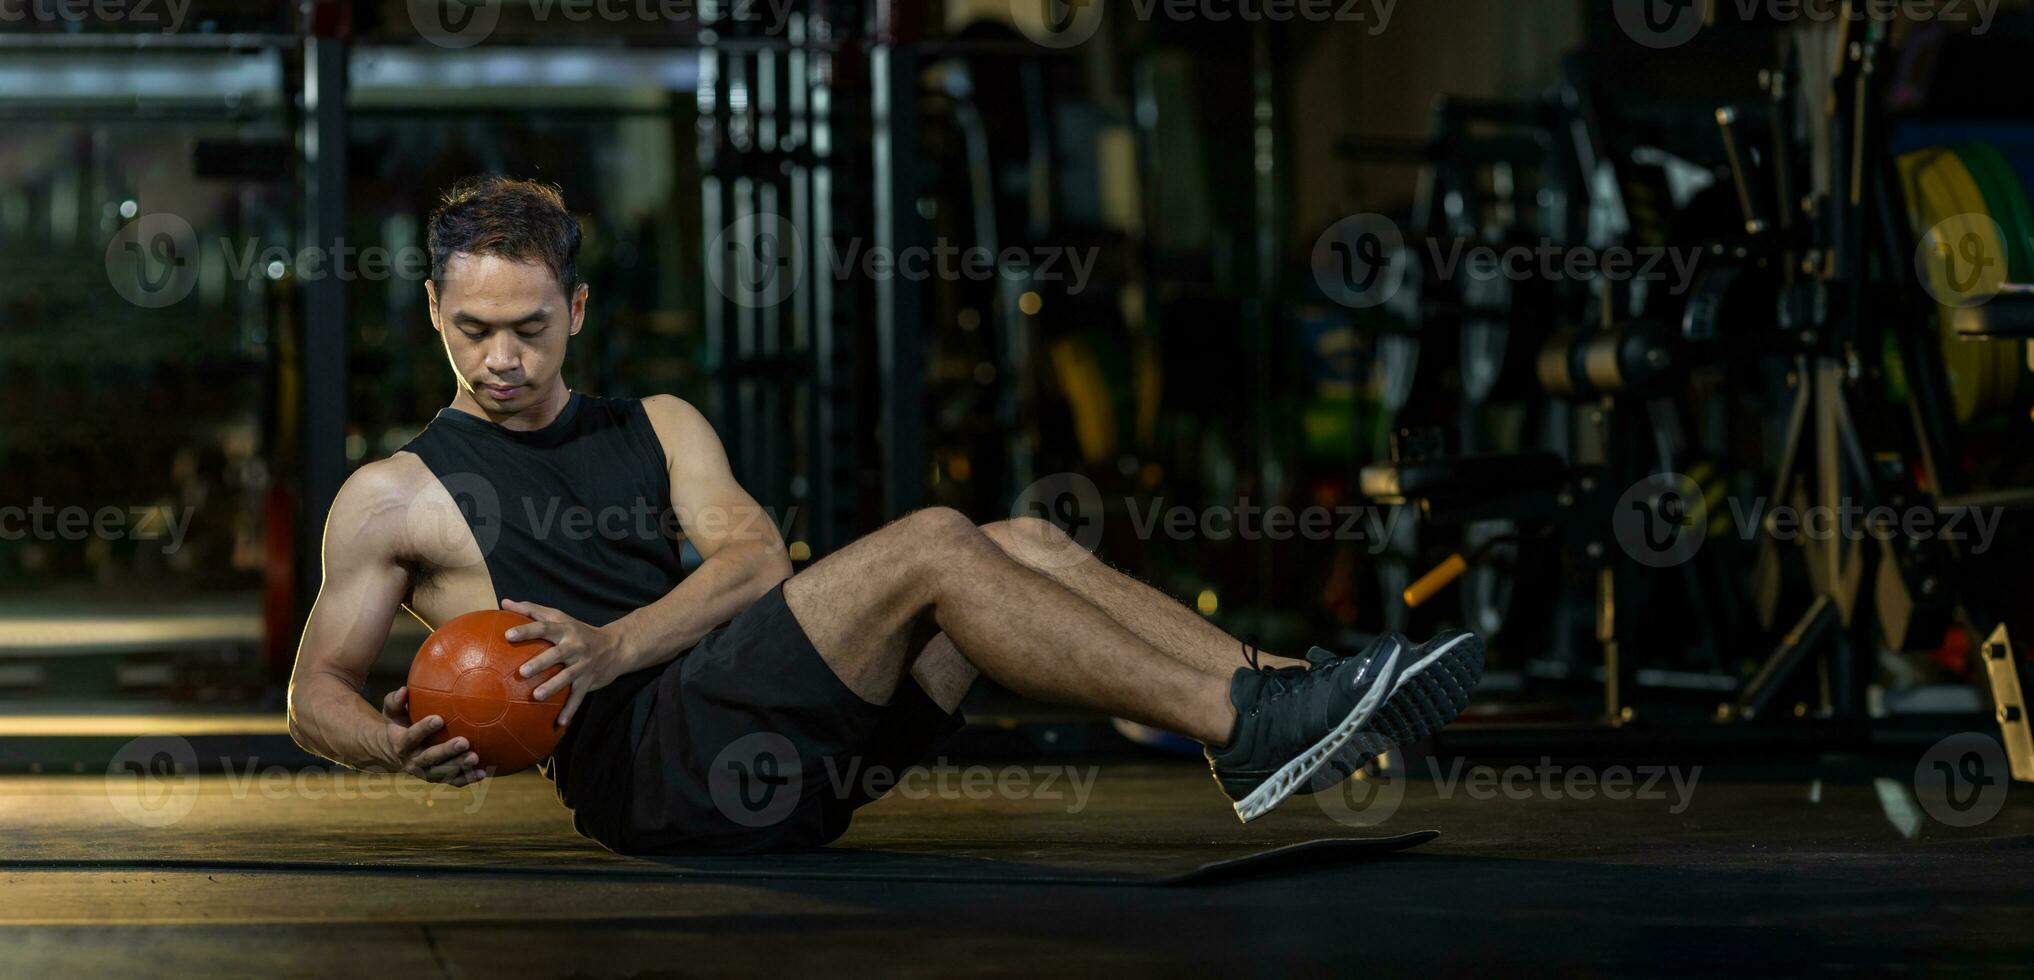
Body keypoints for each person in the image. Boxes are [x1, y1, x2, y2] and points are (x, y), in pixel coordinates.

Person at [286, 176, 1483, 854]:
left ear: (579, 308)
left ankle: (1292, 691)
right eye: (473, 327)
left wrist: (616, 640)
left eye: (530, 327)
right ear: (433, 311)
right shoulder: (393, 494)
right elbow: (314, 692)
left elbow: (755, 559)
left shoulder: (657, 421)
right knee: (935, 542)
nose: (501, 356)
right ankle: (1252, 719)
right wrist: (388, 743)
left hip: (786, 737)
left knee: (1017, 540)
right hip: (656, 779)